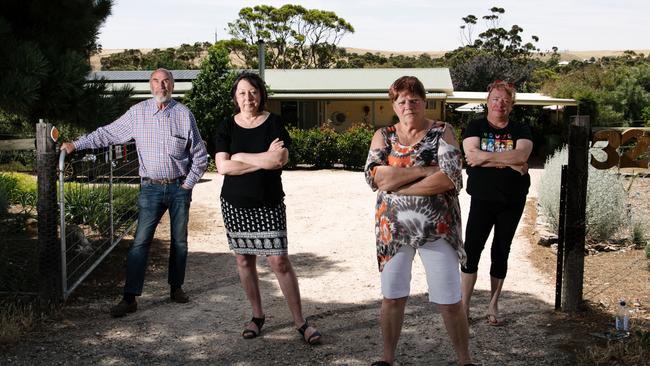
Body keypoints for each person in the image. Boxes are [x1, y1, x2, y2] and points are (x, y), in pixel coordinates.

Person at [60, 68, 208, 317]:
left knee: (180, 242)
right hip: (150, 188)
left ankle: (176, 287)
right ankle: (129, 298)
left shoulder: (184, 115)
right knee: (140, 243)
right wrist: (76, 144)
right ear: (150, 85)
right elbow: (107, 133)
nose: (161, 86)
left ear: (173, 85)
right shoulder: (137, 113)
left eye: (166, 81)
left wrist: (188, 184)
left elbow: (200, 155)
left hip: (179, 188)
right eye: (156, 81)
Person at [365, 76, 476, 366]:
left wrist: (397, 187)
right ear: (393, 105)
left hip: (437, 228)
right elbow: (375, 177)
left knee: (450, 300)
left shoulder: (443, 131)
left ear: (424, 102)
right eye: (401, 100)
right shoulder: (384, 135)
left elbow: (450, 179)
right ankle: (387, 358)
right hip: (393, 231)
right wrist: (427, 170)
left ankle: (465, 361)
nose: (408, 105)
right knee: (392, 296)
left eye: (414, 99)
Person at [214, 72, 321, 344]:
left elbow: (279, 160)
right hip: (235, 204)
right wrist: (263, 159)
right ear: (234, 97)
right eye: (241, 93)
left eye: (253, 92)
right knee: (243, 260)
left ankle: (300, 322)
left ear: (261, 94)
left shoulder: (273, 123)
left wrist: (241, 157)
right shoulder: (226, 125)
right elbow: (223, 167)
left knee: (279, 261)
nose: (248, 98)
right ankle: (257, 316)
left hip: (268, 203)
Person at [460, 80, 533, 326]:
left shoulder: (521, 128)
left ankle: (493, 305)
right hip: (482, 198)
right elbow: (471, 157)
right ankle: (464, 306)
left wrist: (485, 157)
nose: (499, 103)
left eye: (505, 100)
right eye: (495, 99)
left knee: (501, 250)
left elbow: (522, 156)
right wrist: (509, 162)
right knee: (471, 251)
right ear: (487, 102)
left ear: (511, 105)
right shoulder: (476, 125)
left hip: (512, 200)